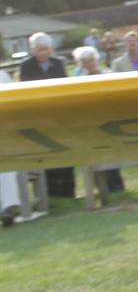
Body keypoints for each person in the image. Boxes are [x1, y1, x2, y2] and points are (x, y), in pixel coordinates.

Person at [18, 32, 74, 198]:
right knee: (47, 155)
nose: (44, 53)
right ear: (34, 50)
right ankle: (49, 195)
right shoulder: (26, 66)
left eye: (47, 49)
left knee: (66, 153)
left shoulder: (58, 64)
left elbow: (65, 87)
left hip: (59, 116)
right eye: (40, 49)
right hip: (39, 117)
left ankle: (68, 193)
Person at [73, 46, 125, 193]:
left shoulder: (109, 76)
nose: (90, 64)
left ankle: (117, 188)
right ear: (81, 64)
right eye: (86, 62)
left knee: (113, 156)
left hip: (110, 122)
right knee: (96, 158)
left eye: (92, 60)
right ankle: (101, 190)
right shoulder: (79, 82)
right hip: (91, 125)